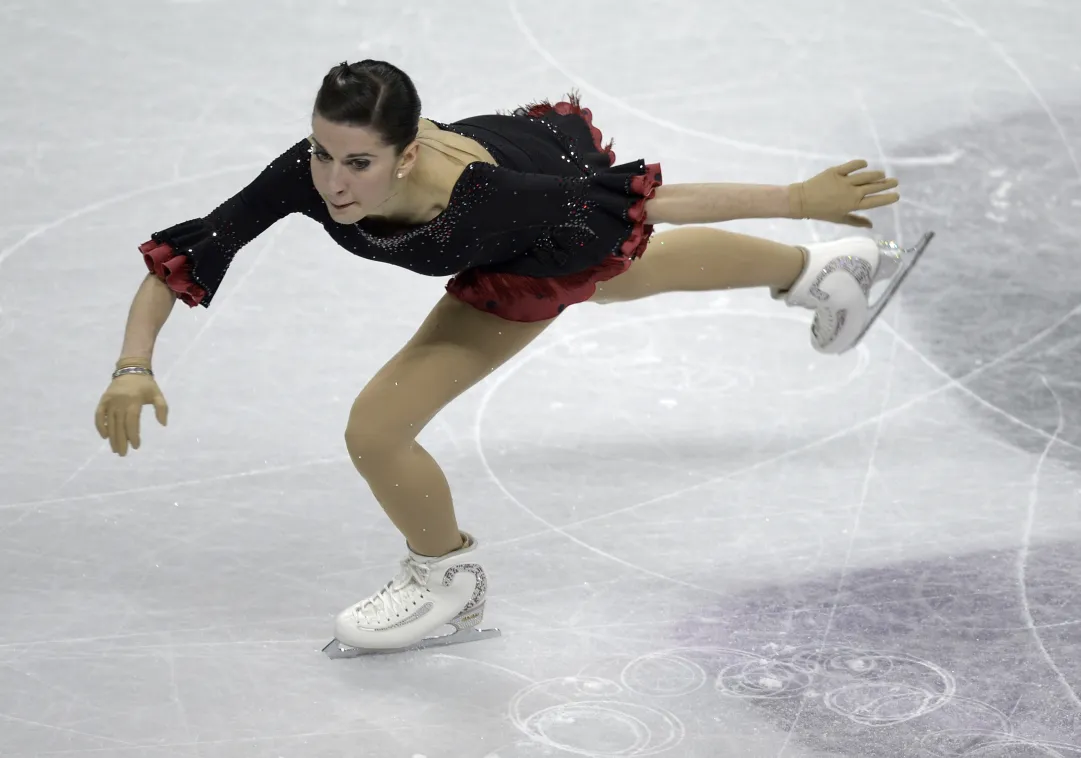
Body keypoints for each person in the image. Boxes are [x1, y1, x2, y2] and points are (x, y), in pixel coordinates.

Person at [94, 59, 926, 656]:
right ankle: (822, 275)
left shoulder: (482, 197)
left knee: (379, 426)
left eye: (357, 163)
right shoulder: (305, 176)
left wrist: (794, 199)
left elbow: (655, 202)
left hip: (541, 203)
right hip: (525, 191)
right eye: (320, 153)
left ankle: (444, 583)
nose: (332, 184)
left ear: (407, 153)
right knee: (611, 277)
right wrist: (134, 365)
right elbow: (192, 251)